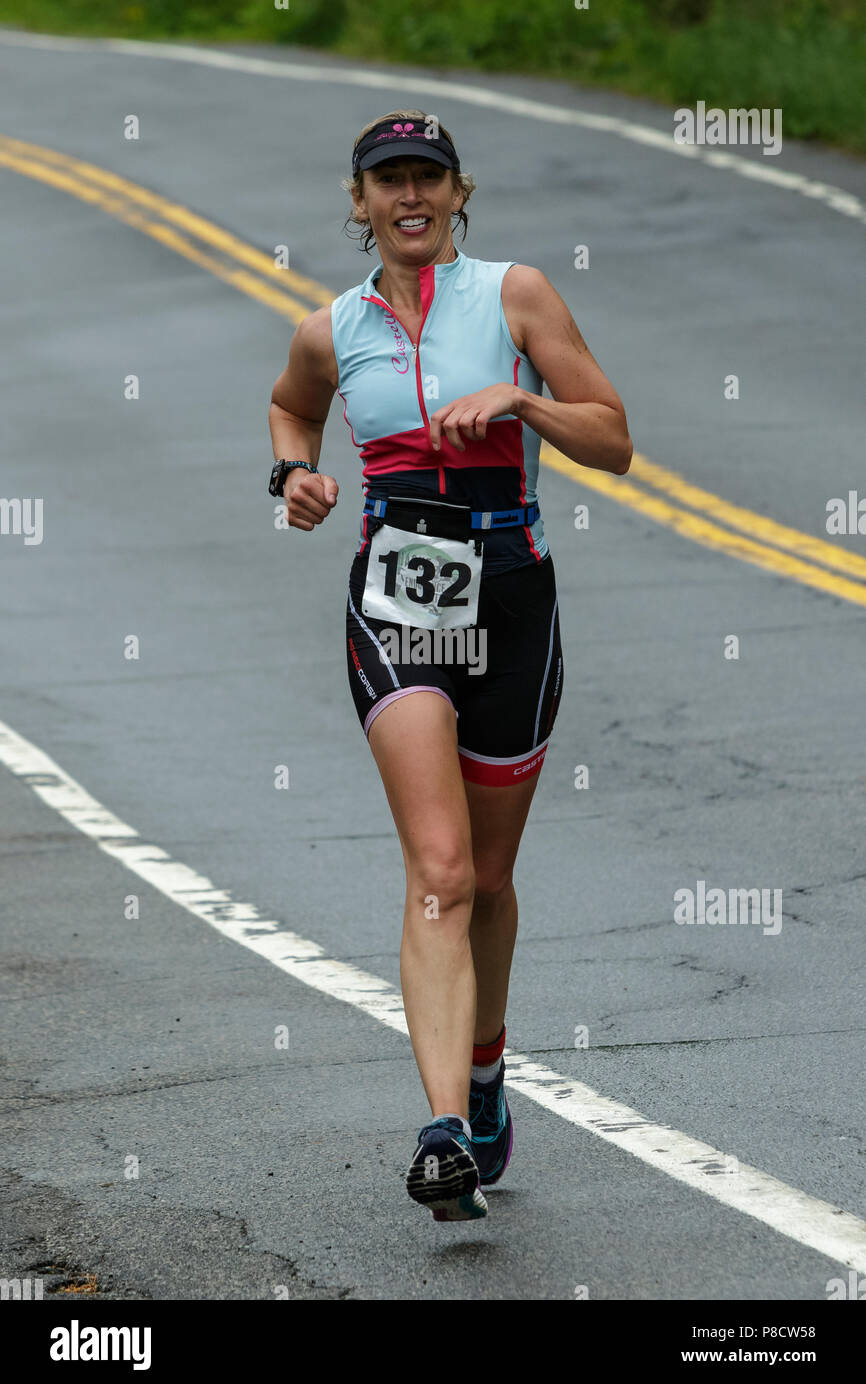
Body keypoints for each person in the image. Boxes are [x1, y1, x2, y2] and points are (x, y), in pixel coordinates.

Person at [268, 109, 632, 1222]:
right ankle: (442, 1132)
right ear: (360, 202)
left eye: (428, 177)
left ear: (459, 192)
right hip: (397, 605)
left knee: (487, 876)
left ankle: (484, 1074)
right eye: (389, 183)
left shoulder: (514, 296)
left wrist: (522, 400)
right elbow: (293, 410)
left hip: (511, 599)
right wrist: (292, 480)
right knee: (438, 872)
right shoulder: (332, 327)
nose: (409, 197)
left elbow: (611, 435)